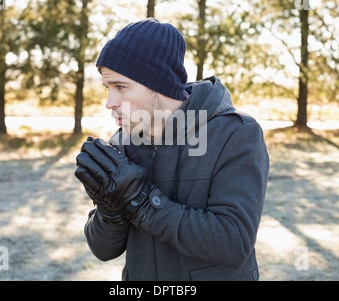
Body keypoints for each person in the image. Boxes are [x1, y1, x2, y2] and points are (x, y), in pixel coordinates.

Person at [74, 18, 269, 281]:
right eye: (108, 88)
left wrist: (141, 201)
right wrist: (109, 207)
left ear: (158, 83)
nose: (110, 102)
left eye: (120, 87)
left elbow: (233, 243)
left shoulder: (235, 133)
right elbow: (103, 249)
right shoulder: (122, 143)